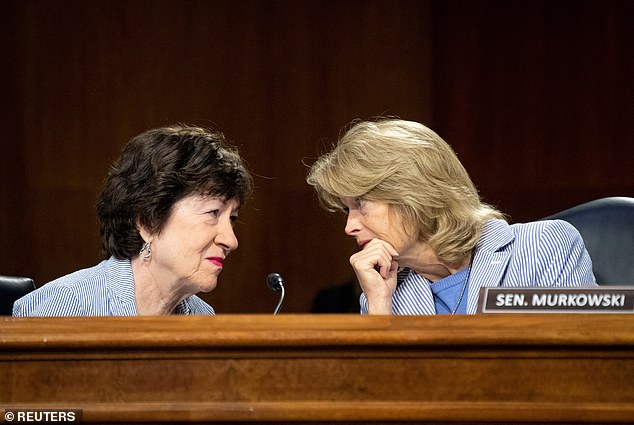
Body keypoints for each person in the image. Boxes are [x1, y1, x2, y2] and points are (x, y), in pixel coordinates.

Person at [306, 118, 597, 315]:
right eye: (347, 210)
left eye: (361, 204)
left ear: (412, 195)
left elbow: (581, 368)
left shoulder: (544, 247)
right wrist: (379, 308)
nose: (349, 227)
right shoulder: (382, 296)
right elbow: (379, 400)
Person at [13, 124, 252, 316]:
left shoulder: (202, 317)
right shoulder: (67, 307)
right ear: (147, 222)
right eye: (213, 213)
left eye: (231, 218)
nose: (231, 240)